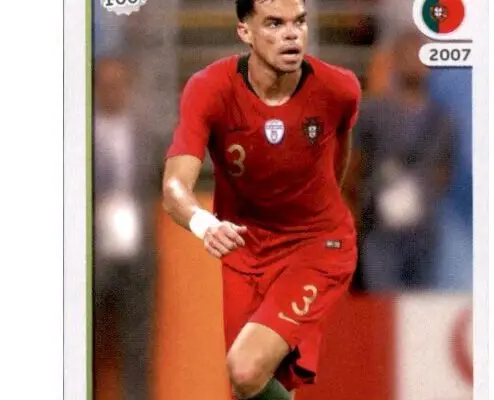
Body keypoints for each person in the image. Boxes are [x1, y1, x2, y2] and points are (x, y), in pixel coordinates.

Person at [161, 1, 361, 399]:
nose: (291, 34)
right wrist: (205, 224)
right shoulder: (210, 89)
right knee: (247, 387)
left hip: (315, 247)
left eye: (299, 22)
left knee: (246, 367)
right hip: (244, 248)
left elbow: (338, 163)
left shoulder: (338, 89)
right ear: (245, 32)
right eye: (274, 23)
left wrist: (315, 220)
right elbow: (174, 188)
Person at [345, 30, 455, 291]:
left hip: (423, 235)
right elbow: (351, 166)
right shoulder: (372, 114)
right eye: (408, 54)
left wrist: (420, 197)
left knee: (421, 306)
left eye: (421, 55)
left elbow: (444, 171)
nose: (415, 62)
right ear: (395, 59)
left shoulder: (442, 120)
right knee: (381, 303)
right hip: (379, 233)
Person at [93, 57, 161, 400]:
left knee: (137, 349)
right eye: (106, 84)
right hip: (91, 258)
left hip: (137, 256)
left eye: (118, 84)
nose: (113, 91)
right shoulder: (75, 135)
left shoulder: (145, 135)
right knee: (84, 344)